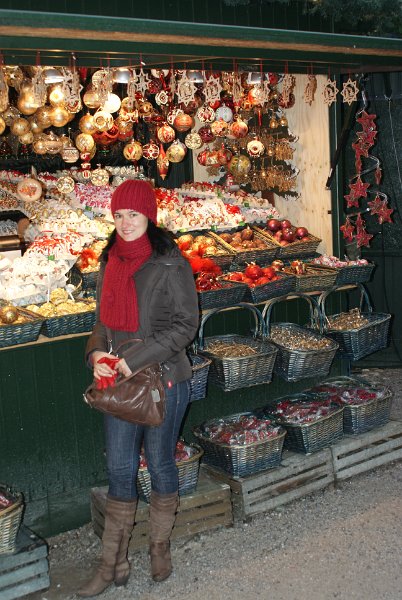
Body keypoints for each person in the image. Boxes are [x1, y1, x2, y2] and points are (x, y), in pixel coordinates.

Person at [78, 179, 199, 597]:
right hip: (117, 382)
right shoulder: (109, 260)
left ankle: (159, 547)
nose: (126, 222)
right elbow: (101, 321)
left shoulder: (170, 263)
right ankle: (112, 563)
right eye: (119, 214)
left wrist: (136, 359)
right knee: (119, 468)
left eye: (133, 214)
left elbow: (186, 325)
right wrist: (97, 354)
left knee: (161, 463)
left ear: (149, 215)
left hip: (164, 379)